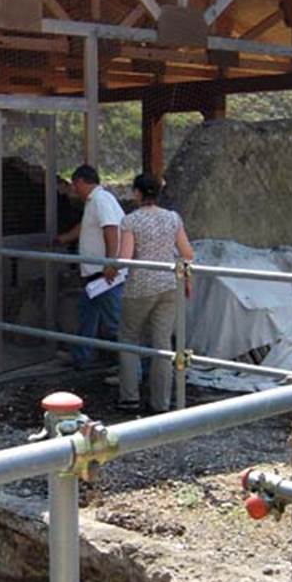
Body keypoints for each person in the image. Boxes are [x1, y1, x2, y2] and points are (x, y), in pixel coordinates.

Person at [117, 171, 193, 415]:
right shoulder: (173, 218)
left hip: (139, 286)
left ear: (137, 193)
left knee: (129, 338)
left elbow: (125, 258)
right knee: (162, 344)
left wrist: (109, 266)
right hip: (169, 284)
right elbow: (187, 253)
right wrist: (186, 279)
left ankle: (129, 398)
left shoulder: (130, 221)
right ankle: (161, 402)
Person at [56, 164, 127, 371]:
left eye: (74, 185)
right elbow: (85, 226)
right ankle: (82, 356)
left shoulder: (100, 200)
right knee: (87, 315)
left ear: (80, 181)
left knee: (114, 321)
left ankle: (133, 365)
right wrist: (64, 238)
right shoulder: (93, 202)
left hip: (105, 274)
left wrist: (111, 262)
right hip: (94, 274)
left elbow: (111, 229)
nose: (73, 190)